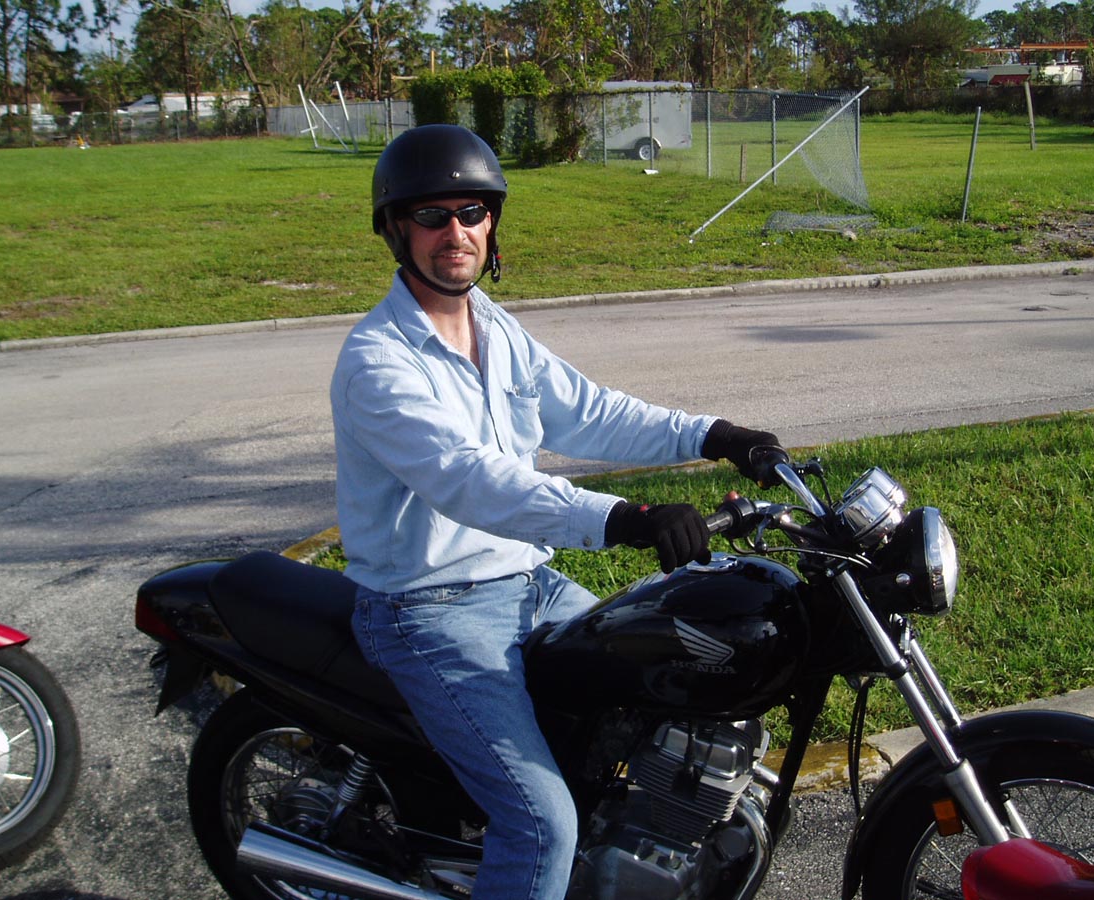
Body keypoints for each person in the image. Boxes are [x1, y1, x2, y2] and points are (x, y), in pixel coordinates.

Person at [330, 123, 780, 900]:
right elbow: (471, 481)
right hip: (428, 610)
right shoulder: (376, 360)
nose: (455, 232)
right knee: (542, 824)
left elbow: (590, 412)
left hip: (527, 585)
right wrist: (627, 518)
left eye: (472, 212)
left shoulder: (492, 327)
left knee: (649, 708)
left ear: (492, 222)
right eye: (432, 216)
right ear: (396, 228)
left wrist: (715, 436)